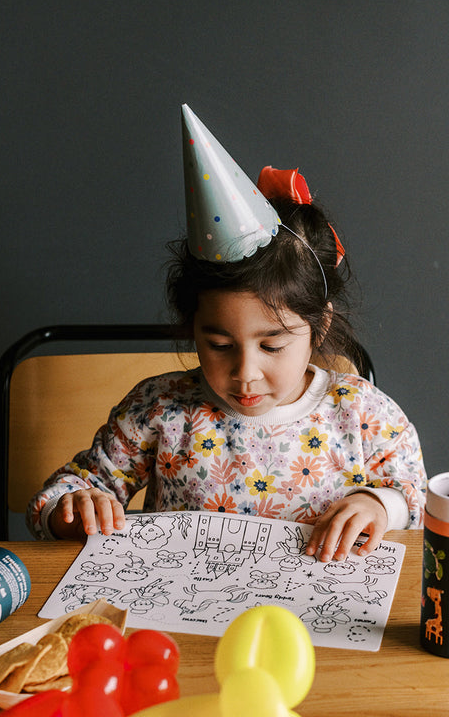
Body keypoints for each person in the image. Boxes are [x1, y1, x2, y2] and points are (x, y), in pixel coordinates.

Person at [26, 105, 427, 561]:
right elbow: (67, 492)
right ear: (192, 327)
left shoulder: (362, 413)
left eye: (272, 345)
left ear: (320, 326)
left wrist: (378, 504)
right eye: (218, 345)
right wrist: (73, 507)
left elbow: (416, 497)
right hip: (184, 616)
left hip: (316, 622)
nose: (245, 373)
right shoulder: (160, 410)